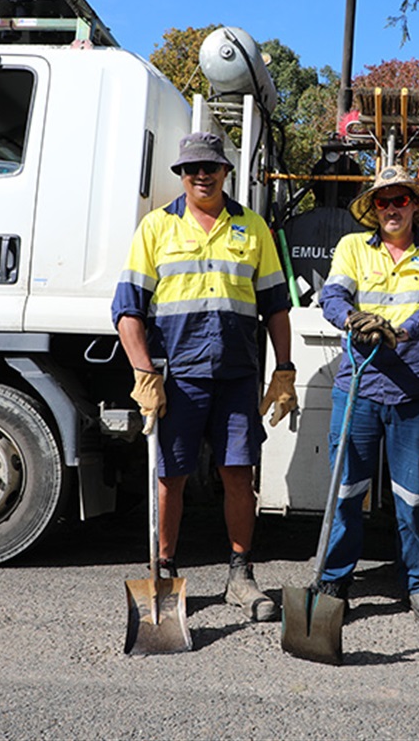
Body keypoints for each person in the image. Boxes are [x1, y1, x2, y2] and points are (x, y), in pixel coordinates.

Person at [112, 131, 297, 622]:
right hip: (179, 379)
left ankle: (240, 575)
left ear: (224, 172)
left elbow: (276, 306)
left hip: (238, 377)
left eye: (210, 167)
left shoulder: (253, 227)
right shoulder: (156, 228)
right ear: (181, 174)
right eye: (191, 167)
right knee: (170, 476)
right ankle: (165, 573)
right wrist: (143, 373)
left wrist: (283, 369)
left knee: (238, 475)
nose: (201, 175)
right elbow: (127, 310)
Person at [317, 164, 419, 627]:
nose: (392, 208)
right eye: (383, 201)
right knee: (345, 490)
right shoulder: (351, 247)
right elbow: (332, 297)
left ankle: (417, 585)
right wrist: (353, 320)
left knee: (413, 496)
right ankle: (334, 582)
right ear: (373, 209)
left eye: (400, 200)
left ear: (415, 204)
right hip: (357, 388)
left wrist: (400, 331)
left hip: (414, 391)